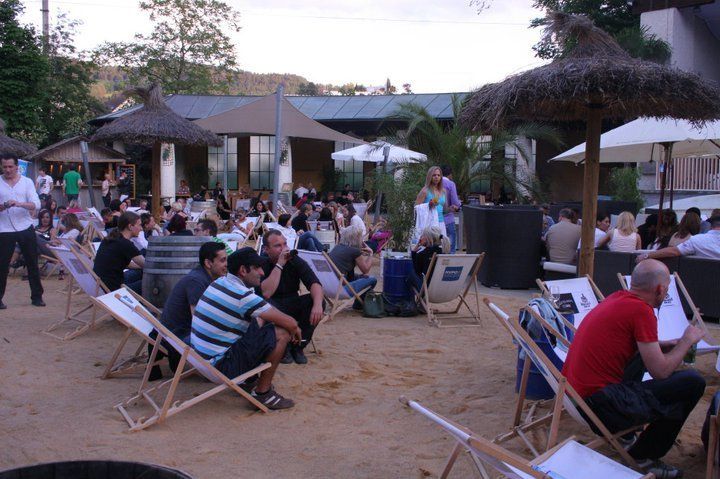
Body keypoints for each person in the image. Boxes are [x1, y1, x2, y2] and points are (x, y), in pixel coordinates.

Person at [562, 260, 705, 478]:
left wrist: (665, 345)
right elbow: (661, 372)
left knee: (641, 356)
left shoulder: (617, 298)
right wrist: (686, 341)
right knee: (692, 383)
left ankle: (626, 436)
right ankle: (644, 456)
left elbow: (630, 344)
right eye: (666, 289)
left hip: (574, 396)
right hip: (600, 408)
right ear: (660, 289)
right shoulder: (641, 311)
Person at [191, 248, 300, 410]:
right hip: (219, 367)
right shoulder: (242, 295)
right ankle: (263, 393)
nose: (262, 272)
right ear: (243, 270)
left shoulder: (219, 282)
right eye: (257, 268)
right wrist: (295, 329)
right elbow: (290, 324)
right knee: (282, 333)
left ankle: (249, 380)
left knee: (258, 318)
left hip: (200, 360)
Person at [258, 230, 324, 365]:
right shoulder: (261, 264)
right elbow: (266, 293)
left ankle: (298, 347)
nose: (283, 249)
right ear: (266, 249)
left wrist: (317, 304)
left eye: (285, 244)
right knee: (264, 305)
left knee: (316, 301)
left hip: (292, 301)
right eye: (278, 246)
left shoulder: (295, 261)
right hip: (272, 305)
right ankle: (284, 347)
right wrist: (279, 265)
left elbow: (314, 283)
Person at [0, 154, 45, 308]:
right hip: (4, 228)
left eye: (10, 167)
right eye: (5, 167)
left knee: (32, 262)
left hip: (25, 226)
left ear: (16, 167)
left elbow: (36, 204)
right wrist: (4, 206)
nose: (7, 170)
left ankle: (37, 297)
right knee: (2, 264)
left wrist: (19, 204)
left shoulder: (27, 182)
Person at [93, 212, 145, 294]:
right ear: (130, 226)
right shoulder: (125, 244)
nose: (141, 229)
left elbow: (121, 263)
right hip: (114, 291)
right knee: (153, 282)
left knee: (140, 272)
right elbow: (147, 265)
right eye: (139, 225)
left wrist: (141, 268)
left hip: (100, 285)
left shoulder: (110, 238)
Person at [638, 213, 720, 261]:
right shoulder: (695, 239)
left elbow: (673, 251)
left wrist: (647, 256)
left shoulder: (696, 240)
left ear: (711, 226)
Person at [329, 225, 376, 304]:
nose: (362, 239)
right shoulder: (354, 251)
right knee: (372, 279)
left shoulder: (337, 247)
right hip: (341, 290)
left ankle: (360, 304)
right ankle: (358, 304)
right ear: (357, 238)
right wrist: (371, 254)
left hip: (328, 288)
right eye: (361, 237)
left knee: (363, 277)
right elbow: (366, 270)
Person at [407, 225, 449, 293]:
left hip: (426, 290)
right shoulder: (444, 253)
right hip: (443, 289)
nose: (420, 238)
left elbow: (417, 272)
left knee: (409, 272)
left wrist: (414, 253)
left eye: (422, 235)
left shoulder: (422, 254)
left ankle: (410, 299)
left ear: (428, 238)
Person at [415, 166, 447, 235]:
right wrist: (428, 205)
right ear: (430, 176)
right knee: (432, 242)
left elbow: (444, 210)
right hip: (429, 223)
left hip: (441, 222)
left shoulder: (443, 191)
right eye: (434, 175)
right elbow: (416, 208)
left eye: (438, 175)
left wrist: (451, 208)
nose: (436, 177)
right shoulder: (425, 190)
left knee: (442, 241)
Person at [441, 166, 461, 253]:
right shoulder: (450, 184)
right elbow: (455, 202)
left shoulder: (435, 184)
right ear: (450, 175)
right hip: (448, 218)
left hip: (436, 218)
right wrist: (459, 205)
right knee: (451, 244)